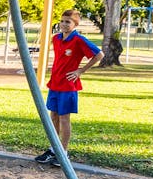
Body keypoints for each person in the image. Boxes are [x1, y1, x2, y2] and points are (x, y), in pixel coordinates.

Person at [35, 9, 104, 167]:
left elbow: (99, 54)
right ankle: (53, 149)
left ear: (75, 24)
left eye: (68, 22)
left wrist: (80, 71)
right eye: (62, 21)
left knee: (65, 119)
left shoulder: (79, 40)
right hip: (55, 83)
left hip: (68, 85)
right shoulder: (56, 38)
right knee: (54, 116)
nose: (64, 24)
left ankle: (63, 153)